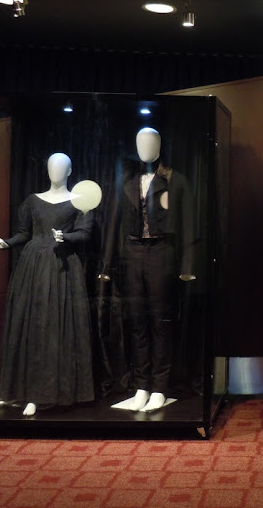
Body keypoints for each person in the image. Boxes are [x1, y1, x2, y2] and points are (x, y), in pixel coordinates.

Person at [0, 153, 95, 416]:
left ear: (70, 171)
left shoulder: (80, 201)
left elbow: (85, 233)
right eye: (51, 167)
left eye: (60, 167)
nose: (54, 171)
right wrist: (6, 243)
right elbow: (24, 233)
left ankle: (43, 393)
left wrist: (64, 236)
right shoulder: (32, 201)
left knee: (54, 328)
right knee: (29, 325)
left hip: (62, 268)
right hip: (32, 267)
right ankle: (18, 391)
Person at [100, 128, 196, 412]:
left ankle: (160, 386)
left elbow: (189, 225)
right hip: (131, 254)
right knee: (136, 321)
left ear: (160, 145)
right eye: (140, 141)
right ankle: (141, 385)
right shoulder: (125, 182)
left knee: (160, 321)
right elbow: (112, 225)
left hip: (162, 253)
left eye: (151, 141)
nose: (145, 147)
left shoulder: (176, 180)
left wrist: (187, 265)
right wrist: (106, 265)